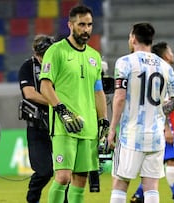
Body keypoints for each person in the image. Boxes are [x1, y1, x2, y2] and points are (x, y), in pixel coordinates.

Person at [107, 22, 174, 203]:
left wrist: (112, 129)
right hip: (156, 136)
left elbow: (119, 97)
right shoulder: (164, 66)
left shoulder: (125, 62)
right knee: (151, 187)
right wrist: (159, 111)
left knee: (120, 183)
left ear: (133, 38)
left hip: (130, 135)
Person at [39, 4, 109, 203]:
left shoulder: (94, 56)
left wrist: (103, 120)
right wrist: (61, 110)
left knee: (81, 180)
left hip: (88, 128)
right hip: (64, 125)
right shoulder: (56, 51)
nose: (86, 29)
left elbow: (98, 91)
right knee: (62, 177)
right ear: (70, 25)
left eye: (89, 25)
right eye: (81, 25)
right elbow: (45, 86)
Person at [129, 41, 174, 203]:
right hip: (166, 129)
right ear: (165, 55)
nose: (173, 54)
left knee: (156, 166)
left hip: (155, 128)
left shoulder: (156, 72)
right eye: (170, 51)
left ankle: (139, 195)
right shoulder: (165, 74)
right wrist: (167, 128)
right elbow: (164, 103)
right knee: (171, 162)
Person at [18, 34, 55, 203]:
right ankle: (32, 198)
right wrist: (56, 103)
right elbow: (30, 93)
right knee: (44, 171)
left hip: (60, 125)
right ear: (35, 53)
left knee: (67, 171)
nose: (44, 57)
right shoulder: (27, 67)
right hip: (38, 126)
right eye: (41, 54)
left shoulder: (60, 65)